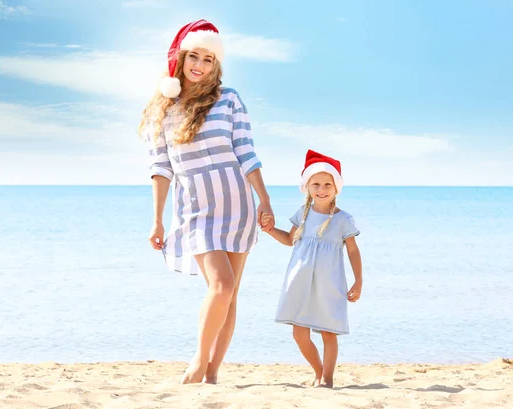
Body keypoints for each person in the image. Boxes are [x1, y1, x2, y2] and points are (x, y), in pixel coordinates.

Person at [138, 19, 275, 385]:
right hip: (197, 210)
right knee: (222, 286)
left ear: (217, 66)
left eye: (208, 59)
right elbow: (161, 168)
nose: (199, 65)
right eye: (193, 56)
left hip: (238, 206)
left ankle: (212, 374)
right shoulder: (163, 110)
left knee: (230, 295)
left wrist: (264, 200)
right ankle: (199, 362)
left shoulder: (229, 99)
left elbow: (246, 152)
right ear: (180, 59)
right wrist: (157, 219)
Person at [262, 149, 362, 388]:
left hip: (329, 282)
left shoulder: (343, 219)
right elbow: (289, 239)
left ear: (336, 188)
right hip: (300, 280)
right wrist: (269, 230)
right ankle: (318, 371)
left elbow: (353, 250)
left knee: (329, 332)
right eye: (315, 184)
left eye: (328, 184)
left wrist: (358, 281)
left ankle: (327, 379)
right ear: (307, 187)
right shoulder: (303, 214)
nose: (322, 189)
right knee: (299, 334)